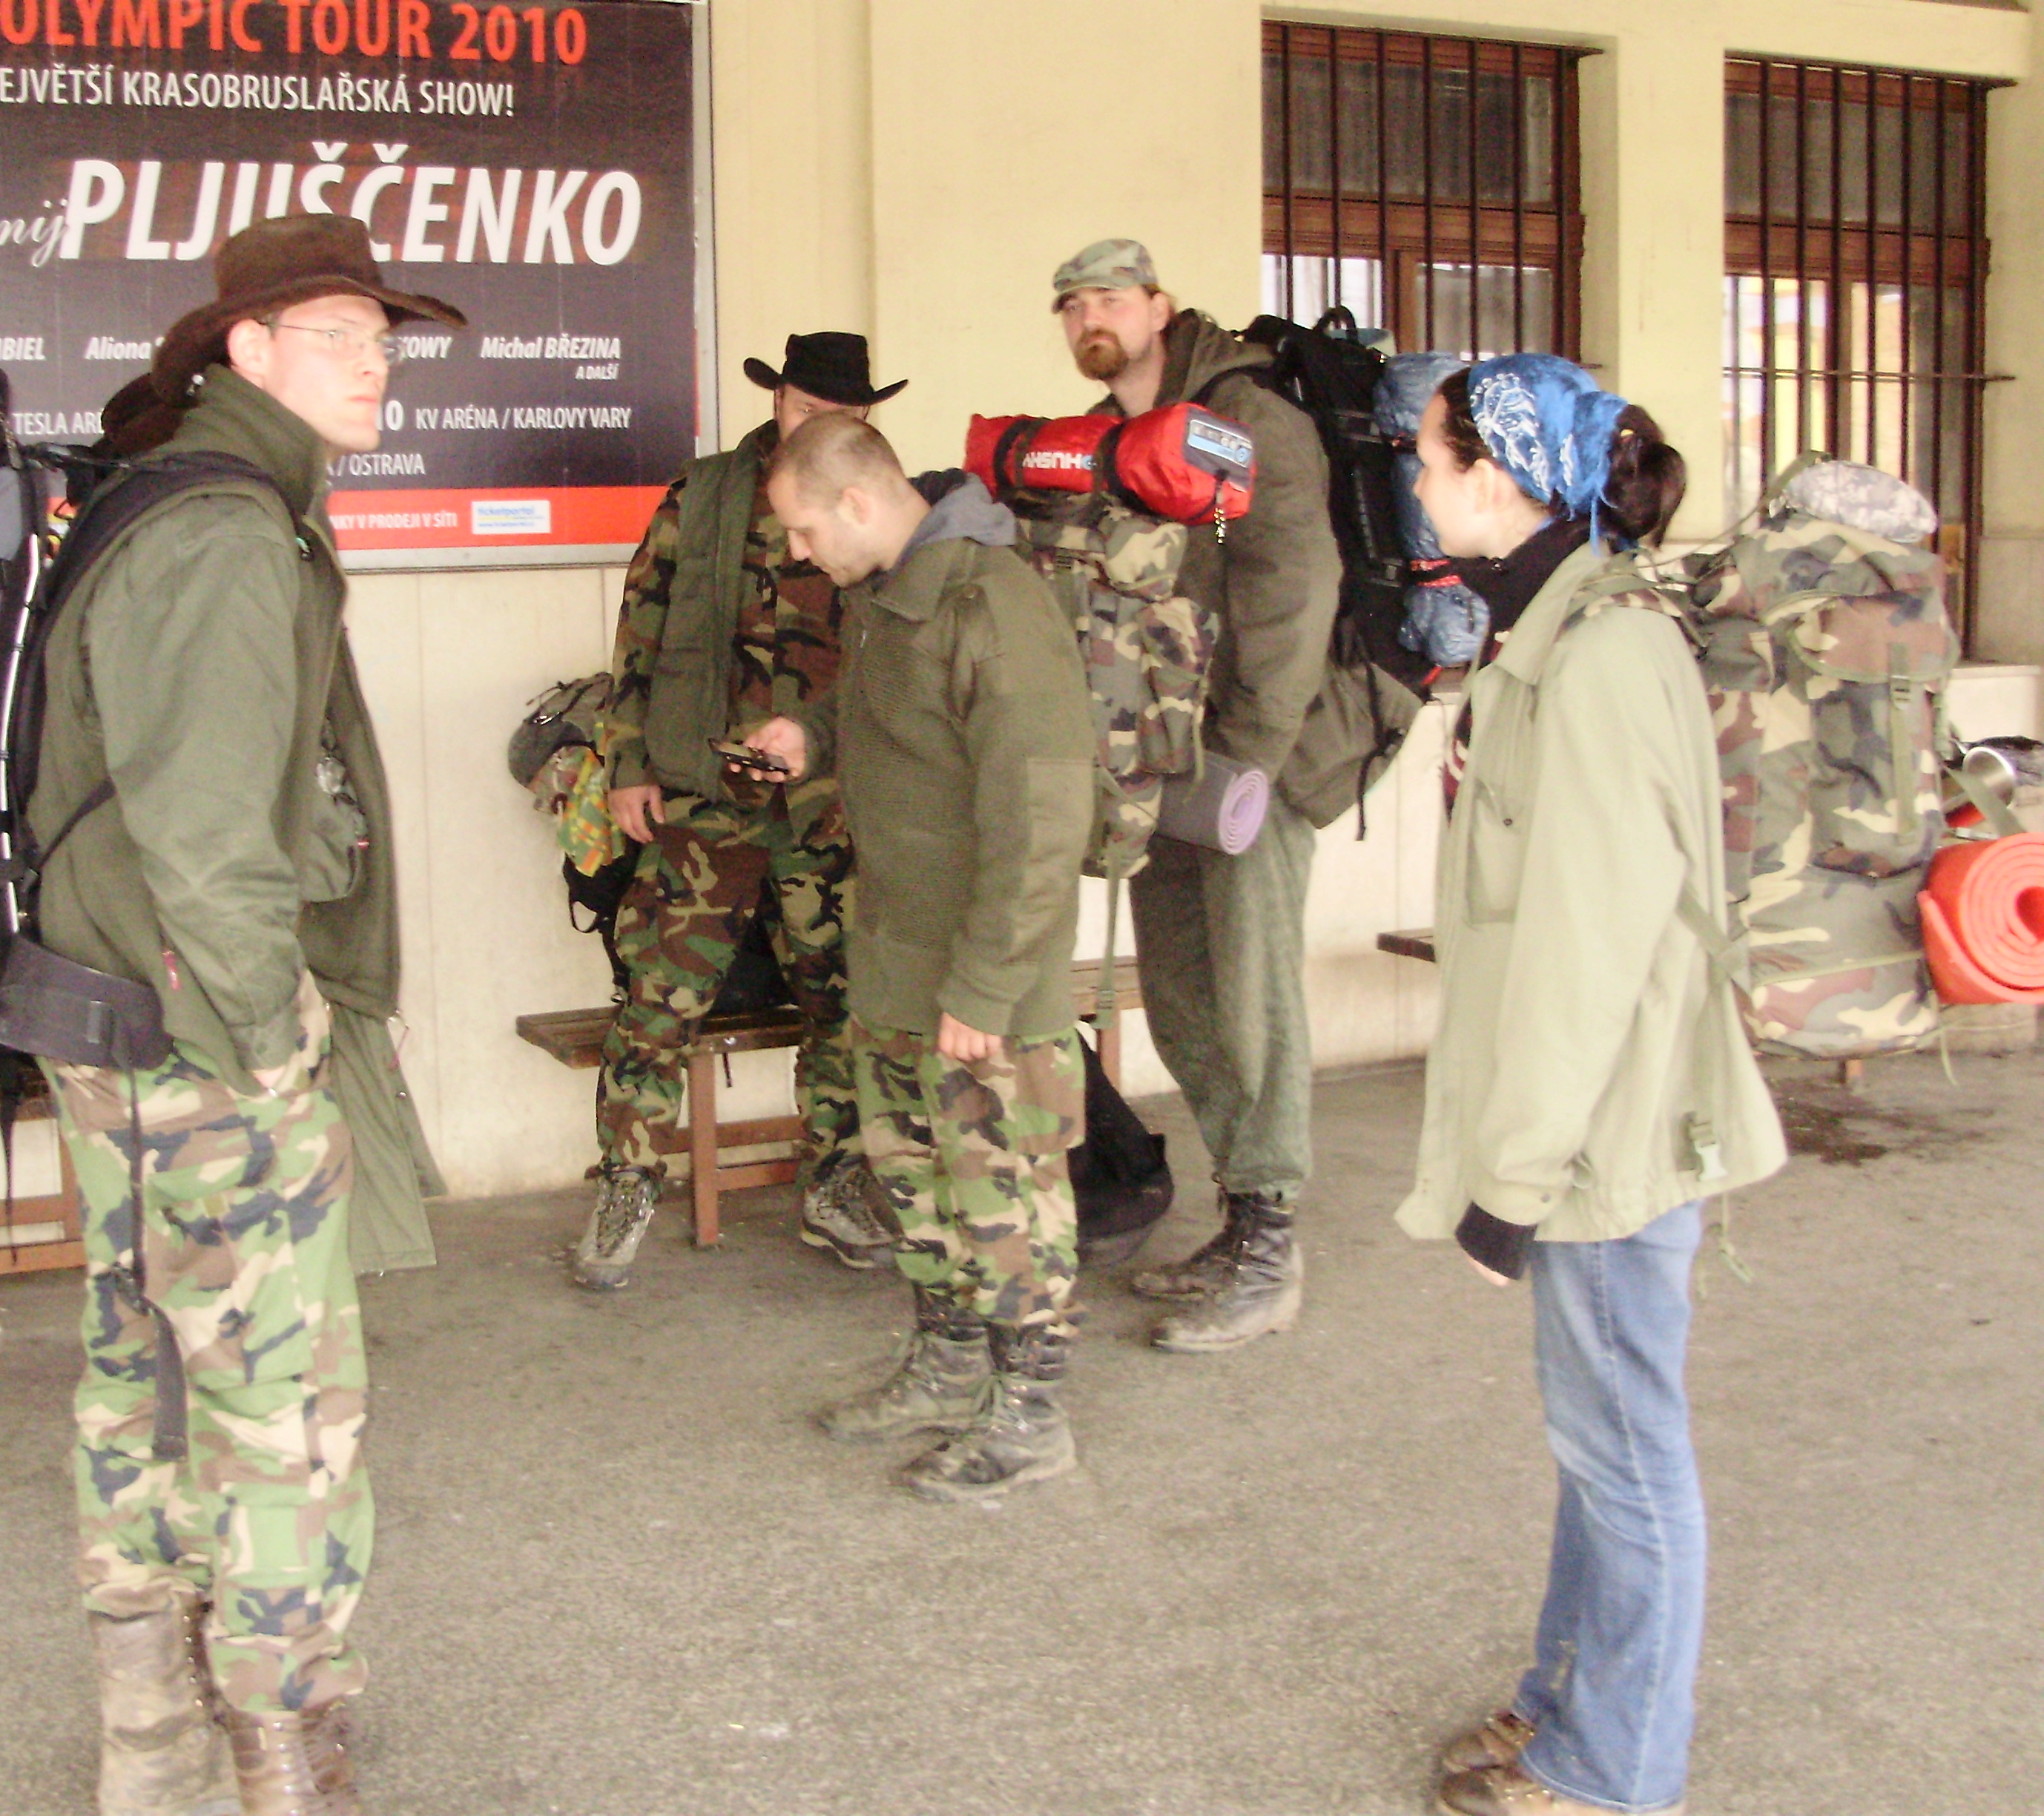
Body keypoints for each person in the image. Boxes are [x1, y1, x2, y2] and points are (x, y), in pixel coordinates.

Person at [28, 214, 461, 1816]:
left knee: (144, 1371)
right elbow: (208, 836)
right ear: (248, 350)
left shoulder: (178, 497)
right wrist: (274, 1039)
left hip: (119, 1024)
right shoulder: (220, 533)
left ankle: (149, 1735)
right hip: (202, 1039)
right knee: (280, 1408)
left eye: (384, 341)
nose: (376, 366)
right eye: (340, 336)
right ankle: (282, 1751)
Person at [1400, 355, 1785, 1816]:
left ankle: (1614, 1772)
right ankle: (1563, 1699)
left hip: (1604, 1136)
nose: (1415, 481)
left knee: (1626, 1453)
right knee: (1597, 1442)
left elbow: (1586, 948)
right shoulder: (1544, 628)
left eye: (1430, 457)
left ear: (1499, 476)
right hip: (1584, 1123)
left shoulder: (1604, 653)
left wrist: (1509, 1179)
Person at [742, 415, 1095, 1501]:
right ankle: (949, 1368)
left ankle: (1031, 1414)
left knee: (1005, 1197)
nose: (798, 552)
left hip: (985, 978)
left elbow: (1043, 812)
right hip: (899, 958)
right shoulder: (893, 595)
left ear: (857, 501)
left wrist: (987, 984)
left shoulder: (991, 604)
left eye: (805, 530)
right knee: (920, 1182)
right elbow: (896, 709)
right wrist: (813, 734)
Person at [1049, 238, 1379, 1355]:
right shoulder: (1116, 434)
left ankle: (1271, 1243)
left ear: (1159, 306)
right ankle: (1241, 1223)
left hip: (1249, 764)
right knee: (1186, 994)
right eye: (1071, 306)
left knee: (1250, 998)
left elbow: (1291, 583)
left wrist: (1247, 759)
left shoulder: (1243, 420)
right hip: (1164, 764)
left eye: (1108, 298)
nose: (1089, 318)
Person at [573, 332, 903, 1290]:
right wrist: (628, 761)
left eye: (838, 416)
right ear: (776, 400)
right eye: (803, 410)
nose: (815, 429)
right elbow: (640, 629)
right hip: (706, 788)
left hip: (828, 801)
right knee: (657, 997)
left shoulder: (880, 505)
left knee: (844, 997)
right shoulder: (707, 492)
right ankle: (627, 1181)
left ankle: (835, 1179)